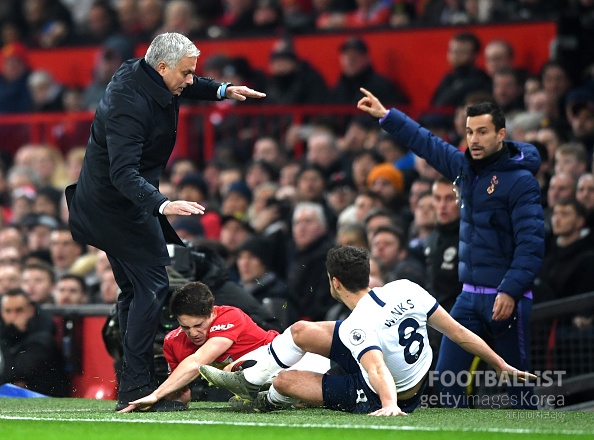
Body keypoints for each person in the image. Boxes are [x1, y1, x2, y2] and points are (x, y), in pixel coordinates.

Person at [65, 32, 265, 412]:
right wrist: (162, 204)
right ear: (161, 67)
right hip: (115, 206)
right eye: (186, 73)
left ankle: (132, 386)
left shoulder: (147, 74)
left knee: (135, 290)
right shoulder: (127, 104)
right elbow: (123, 173)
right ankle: (138, 387)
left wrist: (222, 90)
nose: (191, 80)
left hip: (120, 203)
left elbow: (184, 84)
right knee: (152, 287)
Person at [357, 88, 544, 409]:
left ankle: (531, 426)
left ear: (501, 135)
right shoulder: (465, 168)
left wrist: (510, 291)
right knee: (447, 378)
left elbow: (532, 244)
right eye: (469, 132)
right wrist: (386, 116)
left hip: (506, 296)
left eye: (482, 132)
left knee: (517, 383)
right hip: (468, 297)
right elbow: (427, 143)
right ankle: (458, 429)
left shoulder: (521, 181)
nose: (474, 139)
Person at [199, 245, 536, 415]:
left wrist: (389, 404)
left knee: (286, 381)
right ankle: (249, 380)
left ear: (334, 283)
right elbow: (458, 332)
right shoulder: (406, 287)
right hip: (405, 366)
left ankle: (264, 401)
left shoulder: (357, 324)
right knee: (300, 329)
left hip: (389, 391)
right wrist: (499, 363)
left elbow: (375, 368)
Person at [119, 280, 327, 412]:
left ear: (213, 313)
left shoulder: (229, 315)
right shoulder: (172, 342)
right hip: (272, 384)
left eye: (199, 325)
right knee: (239, 374)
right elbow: (183, 393)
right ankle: (272, 396)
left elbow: (198, 361)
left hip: (297, 361)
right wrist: (157, 402)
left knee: (233, 369)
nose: (193, 333)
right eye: (185, 327)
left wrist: (156, 393)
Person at [0, 288, 70, 397]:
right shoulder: (6, 334)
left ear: (31, 311)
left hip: (45, 400)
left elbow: (11, 373)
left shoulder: (44, 339)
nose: (13, 317)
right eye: (8, 311)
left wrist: (6, 338)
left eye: (19, 310)